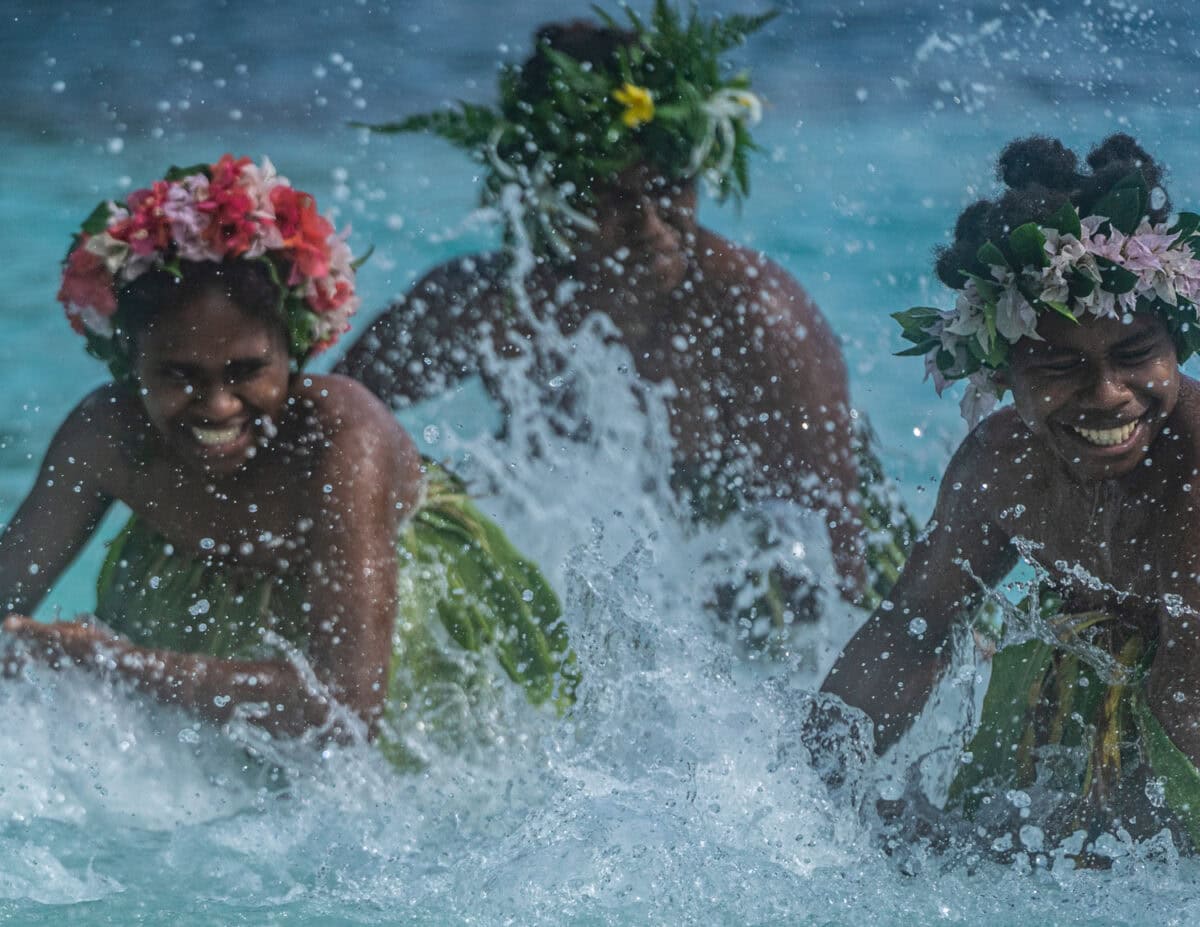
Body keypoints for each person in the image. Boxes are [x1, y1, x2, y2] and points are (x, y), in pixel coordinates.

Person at [338, 3, 910, 639]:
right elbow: (323, 424)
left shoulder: (753, 318)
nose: (650, 226)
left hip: (797, 593)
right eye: (611, 197)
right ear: (545, 194)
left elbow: (837, 579)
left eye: (670, 186)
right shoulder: (492, 304)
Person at [0, 155, 576, 768]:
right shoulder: (108, 432)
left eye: (247, 371)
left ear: (295, 353)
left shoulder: (342, 441)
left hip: (396, 632)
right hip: (189, 615)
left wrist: (99, 660)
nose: (217, 405)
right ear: (128, 364)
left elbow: (344, 713)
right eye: (177, 375)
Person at [821, 134, 1200, 850]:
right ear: (1001, 372)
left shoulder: (1194, 483)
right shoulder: (1000, 464)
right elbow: (911, 635)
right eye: (1060, 364)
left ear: (1175, 347)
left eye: (1133, 355)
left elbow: (1189, 722)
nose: (1107, 395)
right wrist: (800, 792)